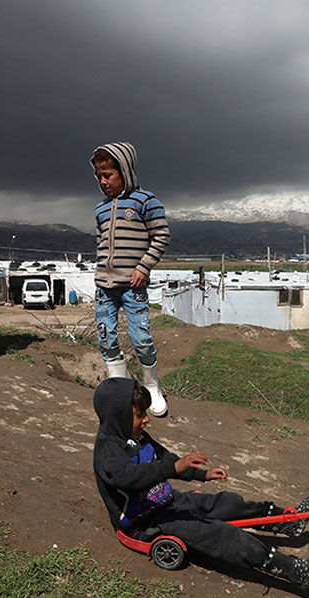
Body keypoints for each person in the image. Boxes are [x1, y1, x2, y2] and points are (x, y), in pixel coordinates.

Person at [93, 377, 309, 588]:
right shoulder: (108, 451)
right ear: (119, 416)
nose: (146, 419)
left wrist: (200, 475)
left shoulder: (138, 437)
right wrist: (172, 468)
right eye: (139, 414)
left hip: (166, 500)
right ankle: (292, 570)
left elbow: (166, 459)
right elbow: (128, 477)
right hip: (146, 522)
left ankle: (286, 522)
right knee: (221, 533)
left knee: (226, 503)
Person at [89, 142, 170, 415]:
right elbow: (102, 243)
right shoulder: (100, 209)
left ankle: (151, 386)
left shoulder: (146, 201)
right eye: (99, 175)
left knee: (141, 337)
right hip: (104, 286)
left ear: (125, 170)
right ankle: (122, 391)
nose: (103, 181)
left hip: (133, 285)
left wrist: (144, 266)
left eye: (108, 174)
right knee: (106, 337)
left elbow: (161, 237)